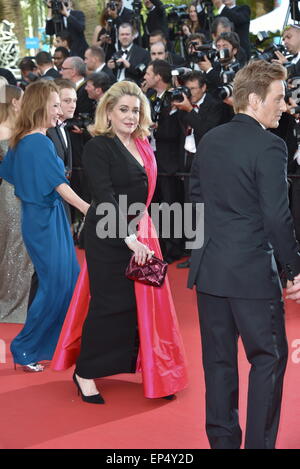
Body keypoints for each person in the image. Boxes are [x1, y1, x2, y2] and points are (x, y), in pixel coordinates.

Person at [51, 80, 188, 404]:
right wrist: (128, 238)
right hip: (110, 238)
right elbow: (105, 197)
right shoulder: (100, 147)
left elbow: (145, 196)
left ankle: (151, 369)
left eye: (135, 110)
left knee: (146, 307)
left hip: (141, 236)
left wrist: (144, 235)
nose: (130, 116)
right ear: (108, 112)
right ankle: (85, 372)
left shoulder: (142, 144)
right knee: (111, 306)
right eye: (123, 110)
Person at [188, 60, 300, 449]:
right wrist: (294, 268)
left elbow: (195, 205)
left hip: (210, 272)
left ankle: (223, 443)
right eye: (279, 98)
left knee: (218, 364)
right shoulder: (271, 146)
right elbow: (276, 215)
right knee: (267, 360)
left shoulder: (210, 140)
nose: (284, 106)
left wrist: (204, 252)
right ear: (254, 100)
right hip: (252, 272)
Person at [0, 80, 89, 372]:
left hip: (42, 217)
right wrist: (90, 210)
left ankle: (54, 343)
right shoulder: (38, 141)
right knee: (56, 285)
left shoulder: (25, 138)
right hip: (45, 220)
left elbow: (10, 174)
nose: (59, 110)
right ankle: (25, 348)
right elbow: (60, 186)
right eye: (54, 105)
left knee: (67, 280)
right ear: (40, 106)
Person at [0, 85, 33, 324]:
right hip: (15, 194)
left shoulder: (20, 130)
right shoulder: (16, 132)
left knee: (11, 246)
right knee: (16, 247)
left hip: (10, 191)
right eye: (22, 99)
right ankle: (13, 303)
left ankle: (14, 299)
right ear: (13, 102)